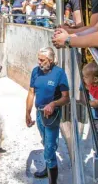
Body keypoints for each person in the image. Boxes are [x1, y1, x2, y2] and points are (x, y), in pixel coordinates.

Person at [26, 47, 70, 183]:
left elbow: (66, 98)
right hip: (39, 114)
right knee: (45, 142)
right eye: (38, 59)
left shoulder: (59, 73)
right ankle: (47, 169)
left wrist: (53, 104)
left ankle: (53, 181)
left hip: (52, 116)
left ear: (50, 61)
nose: (39, 62)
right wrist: (27, 113)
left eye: (42, 60)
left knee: (50, 149)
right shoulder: (35, 71)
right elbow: (31, 92)